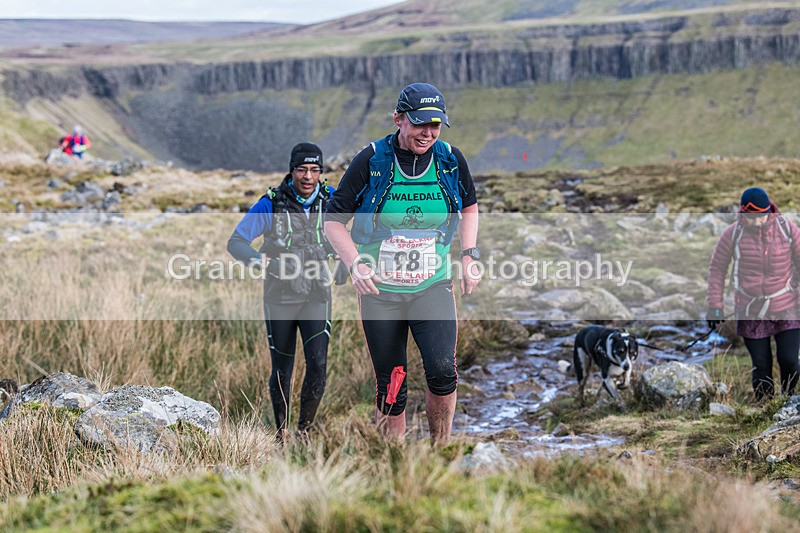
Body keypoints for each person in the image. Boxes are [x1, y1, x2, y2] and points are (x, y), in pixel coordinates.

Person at [324, 82, 481, 446]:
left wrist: (469, 254)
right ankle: (392, 458)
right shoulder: (372, 160)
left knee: (442, 371)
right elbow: (333, 221)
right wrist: (355, 263)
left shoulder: (450, 159)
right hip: (381, 292)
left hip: (432, 285)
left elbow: (469, 206)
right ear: (398, 119)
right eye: (420, 123)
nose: (428, 132)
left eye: (435, 125)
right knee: (392, 382)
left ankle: (440, 450)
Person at [228, 142, 344, 440]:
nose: (308, 176)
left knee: (318, 364)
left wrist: (346, 259)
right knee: (282, 368)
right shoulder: (271, 204)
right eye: (302, 169)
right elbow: (236, 243)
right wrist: (260, 262)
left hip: (317, 294)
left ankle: (304, 432)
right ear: (291, 170)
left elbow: (352, 232)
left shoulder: (331, 200)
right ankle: (281, 435)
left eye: (314, 170)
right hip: (279, 297)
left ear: (321, 172)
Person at [707, 186, 800, 401]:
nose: (757, 222)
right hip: (751, 310)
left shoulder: (786, 228)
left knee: (789, 360)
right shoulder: (733, 234)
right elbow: (717, 269)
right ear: (743, 213)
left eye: (761, 216)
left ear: (769, 211)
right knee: (761, 365)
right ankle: (765, 408)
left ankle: (788, 403)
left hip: (787, 306)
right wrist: (715, 305)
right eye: (751, 218)